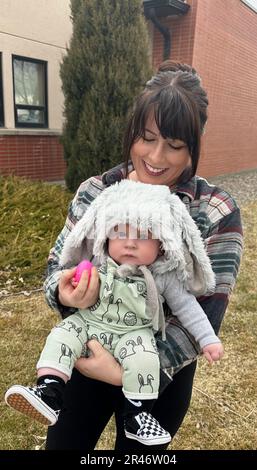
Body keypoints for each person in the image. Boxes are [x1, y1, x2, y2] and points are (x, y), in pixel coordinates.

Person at [9, 60, 243, 450]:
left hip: (161, 373)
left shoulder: (216, 210)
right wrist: (64, 292)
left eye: (175, 145)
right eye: (146, 137)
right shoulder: (97, 191)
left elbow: (207, 309)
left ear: (195, 143)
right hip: (89, 351)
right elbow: (57, 266)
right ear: (132, 131)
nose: (156, 156)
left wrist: (126, 373)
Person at [5, 180, 224, 446]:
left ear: (163, 243)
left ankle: (137, 414)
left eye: (143, 235)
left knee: (146, 358)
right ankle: (49, 389)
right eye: (120, 233)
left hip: (133, 334)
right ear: (105, 236)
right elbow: (64, 273)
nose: (130, 244)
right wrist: (73, 285)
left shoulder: (165, 276)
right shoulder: (99, 263)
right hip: (89, 325)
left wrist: (208, 339)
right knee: (62, 334)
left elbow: (189, 308)